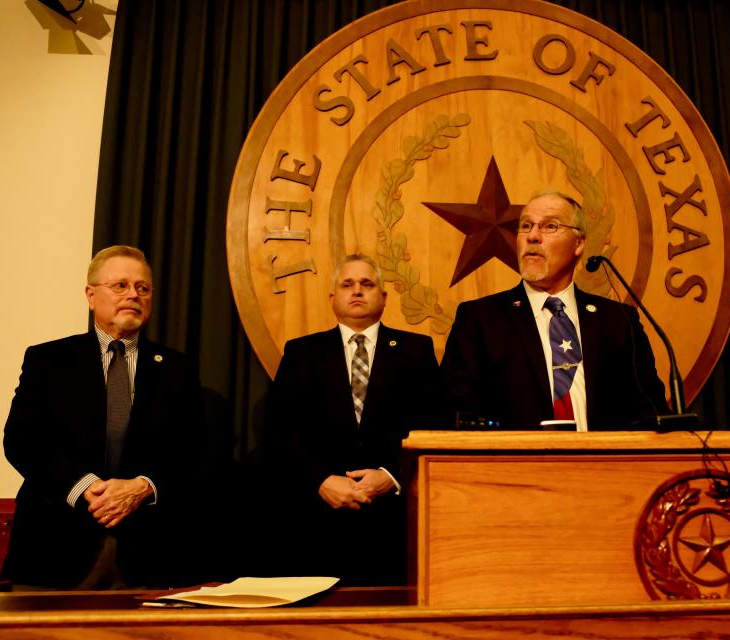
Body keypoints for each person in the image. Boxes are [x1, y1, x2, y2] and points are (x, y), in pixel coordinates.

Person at [2, 245, 204, 589]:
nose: (133, 295)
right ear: (91, 295)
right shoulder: (49, 360)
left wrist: (144, 486)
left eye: (142, 288)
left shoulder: (178, 369)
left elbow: (193, 452)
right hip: (55, 546)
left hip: (150, 554)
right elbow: (22, 441)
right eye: (120, 285)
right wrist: (87, 487)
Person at [262, 254, 444, 585]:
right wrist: (319, 480)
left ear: (384, 298)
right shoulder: (302, 352)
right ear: (333, 298)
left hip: (393, 524)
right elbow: (279, 431)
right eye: (347, 284)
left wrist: (391, 475)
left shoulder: (416, 350)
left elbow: (433, 425)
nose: (357, 291)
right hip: (317, 522)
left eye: (367, 284)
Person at [441, 189, 668, 430]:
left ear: (579, 243)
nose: (533, 236)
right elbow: (455, 413)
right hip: (515, 463)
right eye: (526, 226)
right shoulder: (480, 319)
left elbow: (651, 411)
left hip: (604, 462)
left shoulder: (619, 320)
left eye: (550, 227)